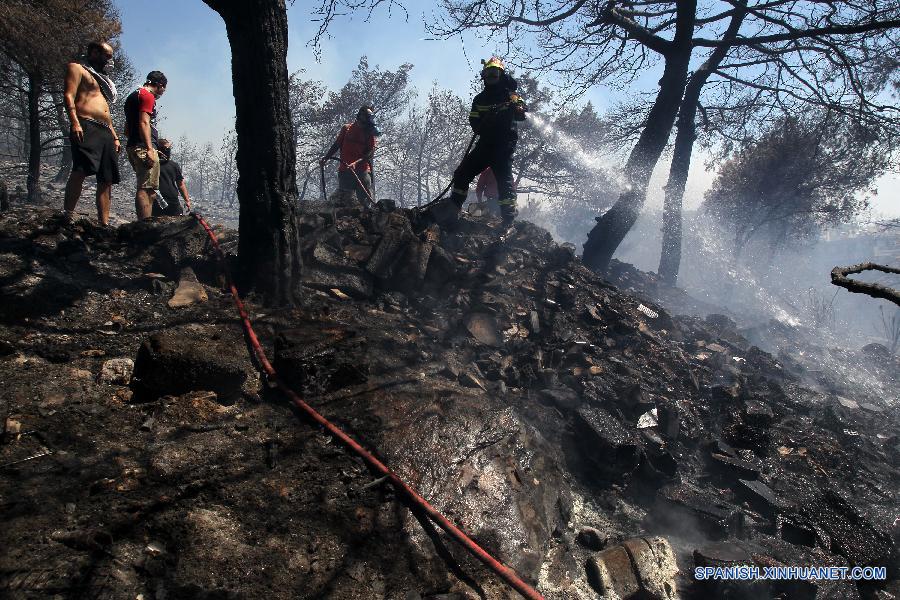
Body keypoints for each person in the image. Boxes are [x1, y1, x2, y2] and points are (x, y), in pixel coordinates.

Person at [443, 57, 526, 225]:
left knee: (504, 181)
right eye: (488, 73)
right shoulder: (480, 99)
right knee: (462, 173)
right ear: (483, 75)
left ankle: (508, 220)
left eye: (495, 73)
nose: (491, 77)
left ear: (501, 75)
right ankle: (454, 207)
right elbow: (474, 120)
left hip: (503, 146)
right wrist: (483, 127)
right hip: (486, 144)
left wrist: (518, 107)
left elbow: (521, 113)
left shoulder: (511, 96)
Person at [62, 41, 121, 225]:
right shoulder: (77, 68)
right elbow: (69, 95)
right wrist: (75, 122)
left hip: (105, 130)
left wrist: (115, 135)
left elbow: (105, 110)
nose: (109, 61)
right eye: (107, 56)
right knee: (80, 169)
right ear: (94, 53)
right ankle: (67, 215)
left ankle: (104, 224)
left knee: (107, 179)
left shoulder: (103, 81)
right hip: (86, 124)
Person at [124, 71, 167, 220]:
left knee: (150, 189)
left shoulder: (133, 96)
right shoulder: (147, 95)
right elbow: (144, 122)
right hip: (143, 147)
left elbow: (127, 129)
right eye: (163, 89)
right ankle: (144, 225)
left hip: (134, 145)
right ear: (160, 85)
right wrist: (149, 148)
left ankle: (146, 223)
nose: (162, 93)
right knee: (146, 188)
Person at [320, 105, 380, 207]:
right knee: (342, 201)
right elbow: (337, 144)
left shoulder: (369, 133)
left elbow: (369, 153)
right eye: (366, 117)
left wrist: (355, 163)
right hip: (345, 171)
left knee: (365, 203)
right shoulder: (346, 129)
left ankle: (368, 219)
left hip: (363, 172)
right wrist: (326, 158)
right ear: (360, 116)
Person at [151, 139, 192, 216]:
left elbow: (180, 184)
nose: (167, 151)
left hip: (173, 201)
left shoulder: (174, 165)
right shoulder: (151, 164)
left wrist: (187, 200)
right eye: (164, 149)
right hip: (156, 201)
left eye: (168, 149)